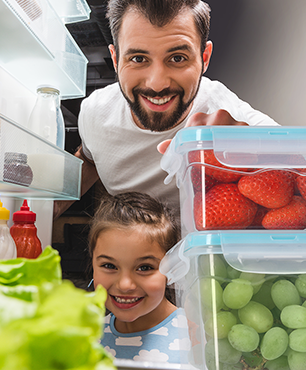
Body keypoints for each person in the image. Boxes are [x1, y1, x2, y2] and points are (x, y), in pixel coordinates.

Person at [54, 0, 279, 219]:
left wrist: (250, 153)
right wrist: (44, 212)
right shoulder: (95, 111)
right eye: (138, 58)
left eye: (178, 58)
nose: (157, 84)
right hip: (134, 254)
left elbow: (304, 165)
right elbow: (90, 159)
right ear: (115, 60)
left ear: (204, 58)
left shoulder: (224, 110)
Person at [88, 191, 190, 363]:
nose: (125, 285)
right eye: (109, 266)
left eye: (144, 268)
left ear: (172, 268)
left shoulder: (197, 335)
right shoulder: (87, 335)